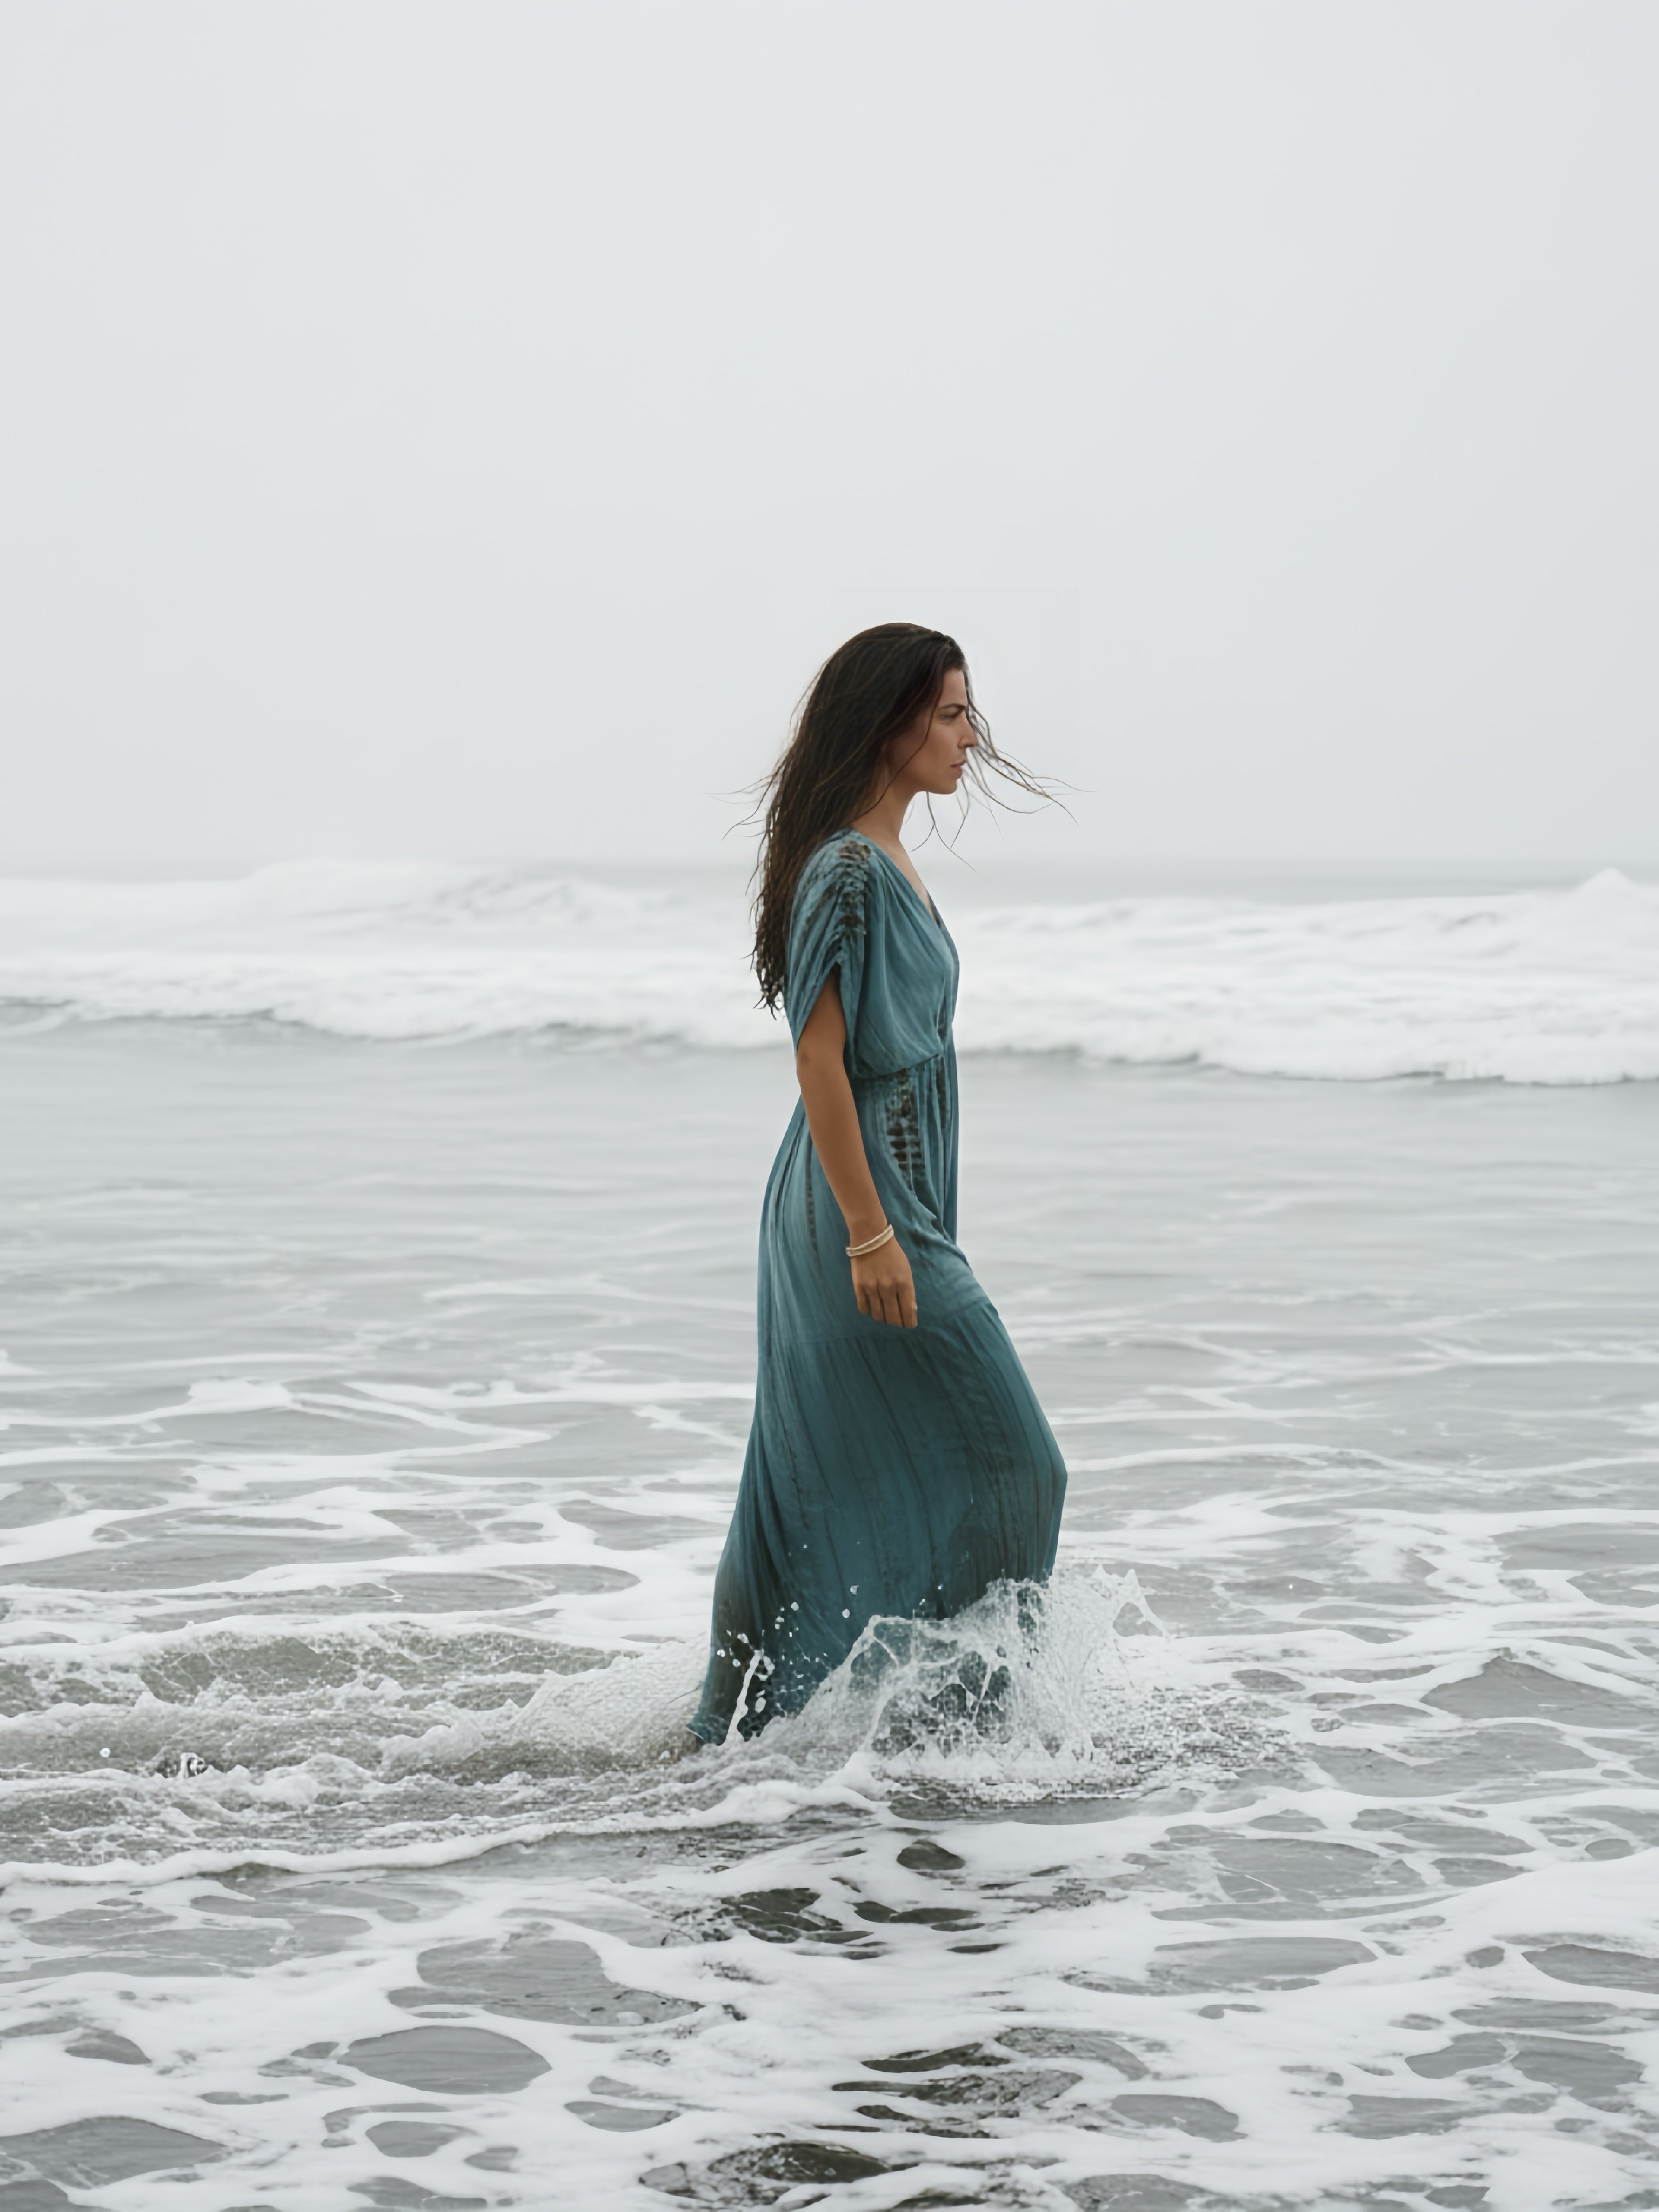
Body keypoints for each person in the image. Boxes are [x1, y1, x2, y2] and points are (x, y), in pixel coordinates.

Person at [685, 624, 1067, 1745]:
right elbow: (818, 1060)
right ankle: (960, 1728)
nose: (970, 736)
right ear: (887, 723)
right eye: (950, 713)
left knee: (826, 1469)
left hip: (889, 1201)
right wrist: (869, 1231)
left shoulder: (883, 859)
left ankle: (776, 1733)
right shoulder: (847, 871)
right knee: (1019, 1466)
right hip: (856, 1208)